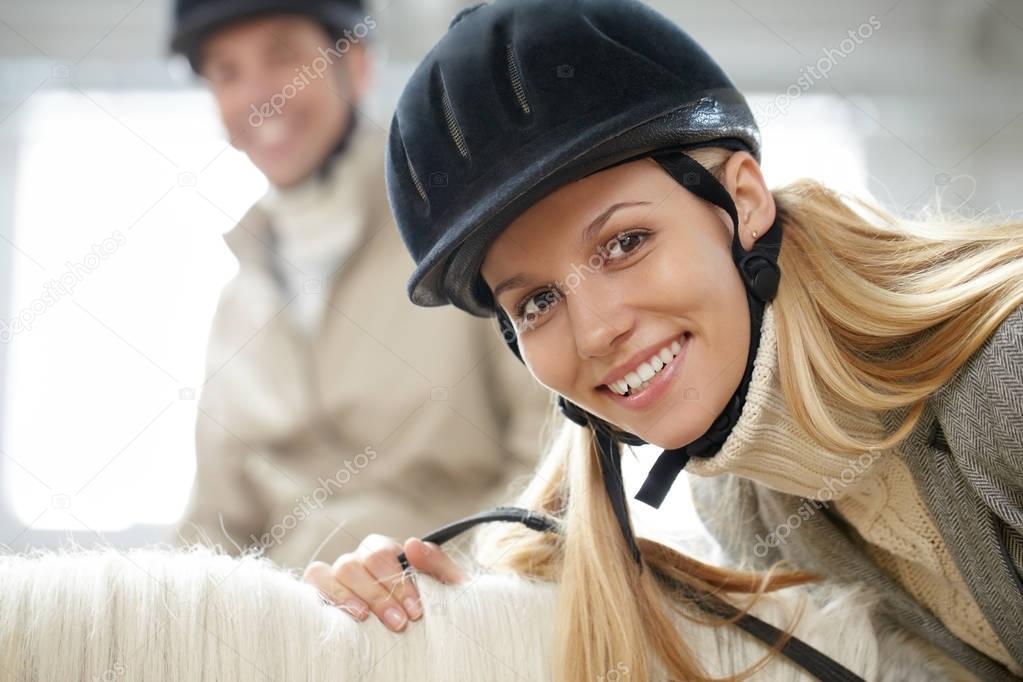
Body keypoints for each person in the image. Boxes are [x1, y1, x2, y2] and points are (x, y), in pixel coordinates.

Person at [301, 1, 1023, 680]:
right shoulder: (745, 498)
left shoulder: (1003, 384)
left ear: (741, 201)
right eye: (538, 301)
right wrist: (443, 617)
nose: (596, 330)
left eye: (624, 243)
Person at [167, 0, 551, 571]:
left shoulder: (467, 236)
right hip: (282, 638)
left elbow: (551, 467)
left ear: (358, 64)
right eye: (226, 72)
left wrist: (465, 593)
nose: (257, 94)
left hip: (456, 623)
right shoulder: (236, 304)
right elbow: (212, 527)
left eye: (282, 56)